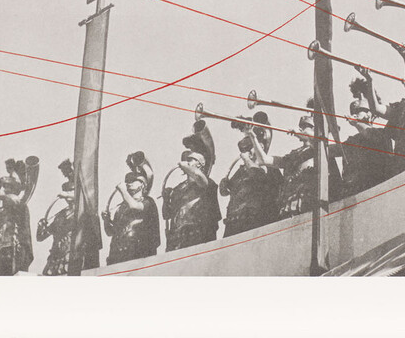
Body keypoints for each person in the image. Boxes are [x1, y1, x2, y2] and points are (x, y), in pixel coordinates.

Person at [219, 112, 283, 237]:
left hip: (258, 224)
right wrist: (224, 184)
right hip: (235, 225)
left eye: (249, 148)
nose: (246, 152)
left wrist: (247, 160)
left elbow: (258, 176)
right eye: (244, 149)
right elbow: (225, 192)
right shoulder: (241, 171)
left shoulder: (269, 168)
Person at [254, 99, 318, 219]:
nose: (302, 129)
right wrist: (253, 137)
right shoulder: (293, 155)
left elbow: (318, 142)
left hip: (307, 203)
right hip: (289, 205)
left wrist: (305, 133)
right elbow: (264, 160)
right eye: (302, 127)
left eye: (306, 127)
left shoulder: (317, 149)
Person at [162, 121, 221, 251]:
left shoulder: (207, 183)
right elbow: (166, 215)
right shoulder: (178, 188)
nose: (187, 162)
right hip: (177, 239)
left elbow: (199, 178)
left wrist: (185, 166)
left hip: (198, 236)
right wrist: (166, 199)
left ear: (200, 164)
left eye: (191, 160)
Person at [330, 75, 391, 199]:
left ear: (371, 114)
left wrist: (357, 123)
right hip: (353, 193)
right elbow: (330, 150)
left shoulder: (382, 134)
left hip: (376, 191)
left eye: (359, 111)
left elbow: (372, 136)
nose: (355, 114)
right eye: (354, 112)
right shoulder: (352, 141)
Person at [102, 152, 160, 265]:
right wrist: (106, 220)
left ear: (143, 184)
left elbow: (135, 206)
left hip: (139, 253)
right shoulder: (121, 208)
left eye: (133, 181)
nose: (129, 183)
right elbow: (110, 232)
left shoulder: (148, 202)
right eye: (127, 181)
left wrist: (123, 190)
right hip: (118, 255)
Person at [36, 159, 75, 276]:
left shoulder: (82, 212)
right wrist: (41, 227)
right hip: (55, 258)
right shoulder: (61, 215)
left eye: (71, 190)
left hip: (71, 256)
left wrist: (67, 195)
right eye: (66, 190)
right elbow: (41, 237)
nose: (68, 193)